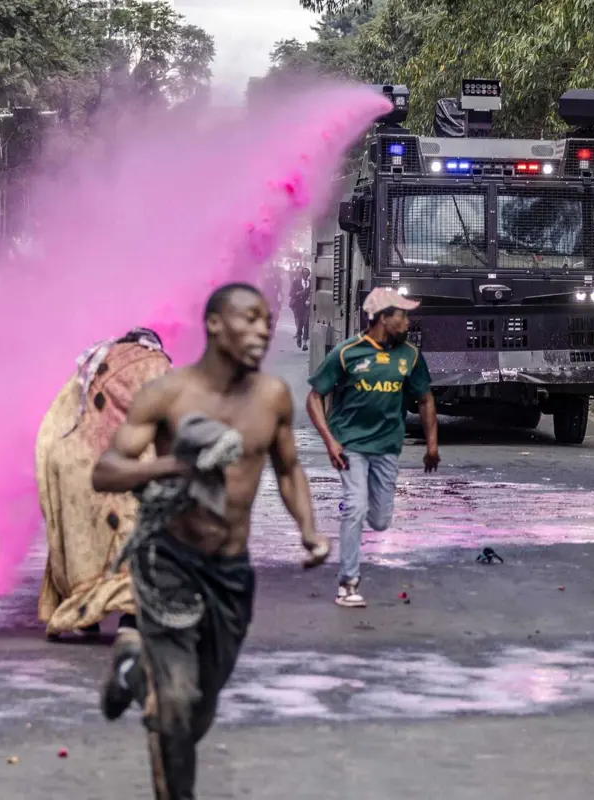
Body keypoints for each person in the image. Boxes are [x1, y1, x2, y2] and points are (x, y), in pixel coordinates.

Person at [91, 283, 330, 800]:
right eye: (250, 319)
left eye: (268, 320)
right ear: (215, 324)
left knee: (197, 711)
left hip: (230, 572)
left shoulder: (271, 397)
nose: (263, 330)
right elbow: (106, 471)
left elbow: (289, 469)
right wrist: (178, 464)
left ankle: (133, 671)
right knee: (176, 705)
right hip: (169, 561)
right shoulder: (168, 395)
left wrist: (308, 530)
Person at [306, 287, 440, 608]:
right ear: (383, 318)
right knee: (355, 506)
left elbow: (425, 399)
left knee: (379, 521)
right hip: (349, 444)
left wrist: (432, 445)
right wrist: (330, 441)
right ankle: (348, 583)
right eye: (402, 316)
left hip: (386, 447)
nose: (407, 322)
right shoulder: (346, 353)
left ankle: (356, 505)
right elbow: (314, 397)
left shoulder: (410, 356)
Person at [37, 328, 172, 639]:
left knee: (81, 544)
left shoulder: (94, 362)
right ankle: (130, 614)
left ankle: (84, 615)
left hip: (73, 460)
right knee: (132, 536)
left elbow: (57, 420)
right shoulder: (156, 364)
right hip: (122, 462)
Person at [289, 267, 311, 351]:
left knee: (306, 323)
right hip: (298, 305)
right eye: (305, 274)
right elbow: (291, 293)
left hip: (307, 306)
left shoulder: (310, 283)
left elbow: (312, 293)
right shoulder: (296, 282)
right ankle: (299, 336)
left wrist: (309, 299)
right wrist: (298, 293)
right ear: (302, 274)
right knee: (300, 323)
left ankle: (305, 343)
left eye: (308, 274)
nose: (306, 275)